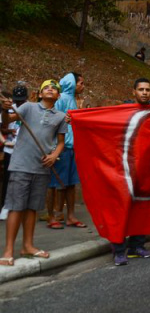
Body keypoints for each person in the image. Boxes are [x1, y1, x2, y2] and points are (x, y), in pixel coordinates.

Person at [0, 80, 67, 267]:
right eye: (46, 87)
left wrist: (54, 156)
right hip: (21, 165)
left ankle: (28, 246)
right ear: (39, 93)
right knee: (16, 207)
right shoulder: (28, 107)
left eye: (54, 88)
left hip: (42, 167)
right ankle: (8, 250)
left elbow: (61, 141)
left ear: (58, 96)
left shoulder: (61, 116)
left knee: (31, 208)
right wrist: (5, 110)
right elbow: (8, 121)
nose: (50, 89)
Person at [111, 75, 150, 266]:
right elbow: (101, 119)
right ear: (134, 92)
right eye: (141, 90)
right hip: (125, 169)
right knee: (122, 211)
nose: (145, 93)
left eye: (147, 90)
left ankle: (136, 246)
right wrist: (75, 117)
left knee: (142, 209)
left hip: (147, 169)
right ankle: (118, 250)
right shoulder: (124, 108)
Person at [46, 73, 87, 230]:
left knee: (70, 184)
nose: (82, 86)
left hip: (72, 147)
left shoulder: (72, 100)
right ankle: (53, 216)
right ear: (72, 83)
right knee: (56, 183)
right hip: (60, 148)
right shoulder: (62, 97)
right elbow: (53, 118)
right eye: (80, 83)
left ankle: (70, 216)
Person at [0, 85, 27, 221]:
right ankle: (5, 205)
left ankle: (21, 207)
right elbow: (4, 127)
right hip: (10, 149)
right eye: (17, 100)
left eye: (22, 100)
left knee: (22, 180)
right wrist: (9, 132)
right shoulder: (10, 108)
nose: (19, 103)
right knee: (8, 179)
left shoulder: (30, 108)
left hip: (25, 151)